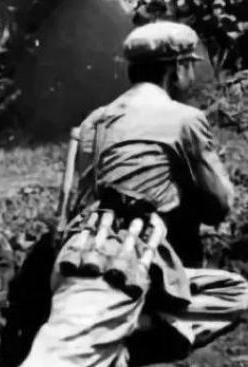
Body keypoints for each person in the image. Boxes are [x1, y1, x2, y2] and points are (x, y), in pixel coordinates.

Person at [17, 21, 248, 367]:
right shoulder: (184, 118)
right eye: (190, 65)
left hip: (99, 253)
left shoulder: (96, 120)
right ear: (176, 69)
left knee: (234, 293)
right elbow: (219, 205)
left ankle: (123, 339)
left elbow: (84, 194)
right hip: (113, 262)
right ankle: (119, 336)